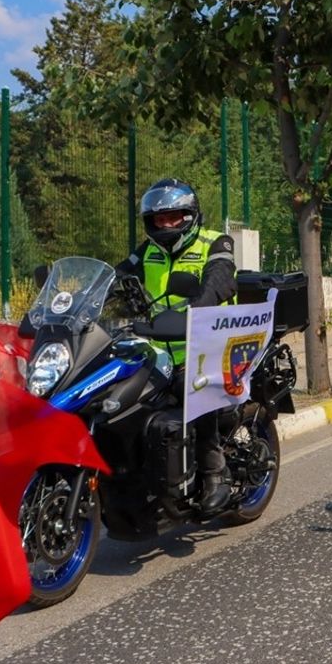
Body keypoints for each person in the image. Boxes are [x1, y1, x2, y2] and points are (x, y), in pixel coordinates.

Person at [116, 178, 238, 514]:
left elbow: (220, 278)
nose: (166, 224)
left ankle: (217, 473)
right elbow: (117, 275)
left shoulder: (215, 243)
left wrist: (200, 306)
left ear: (189, 215)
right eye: (159, 219)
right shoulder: (148, 251)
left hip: (209, 344)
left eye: (174, 217)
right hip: (159, 349)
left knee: (193, 388)